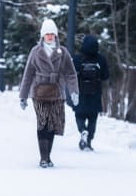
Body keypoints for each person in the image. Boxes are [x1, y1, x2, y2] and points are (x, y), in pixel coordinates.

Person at [19, 19, 79, 168]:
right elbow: (28, 74)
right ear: (42, 35)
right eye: (47, 34)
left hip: (57, 92)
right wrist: (23, 96)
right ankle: (43, 158)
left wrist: (74, 92)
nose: (50, 36)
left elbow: (71, 74)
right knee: (42, 123)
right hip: (39, 92)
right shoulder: (35, 51)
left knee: (52, 124)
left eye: (52, 34)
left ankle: (48, 156)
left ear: (56, 35)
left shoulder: (63, 52)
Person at [72, 34, 109, 151]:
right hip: (95, 93)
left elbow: (71, 74)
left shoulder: (77, 58)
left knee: (79, 115)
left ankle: (83, 130)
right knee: (93, 118)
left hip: (80, 93)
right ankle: (88, 141)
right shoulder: (101, 59)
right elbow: (105, 76)